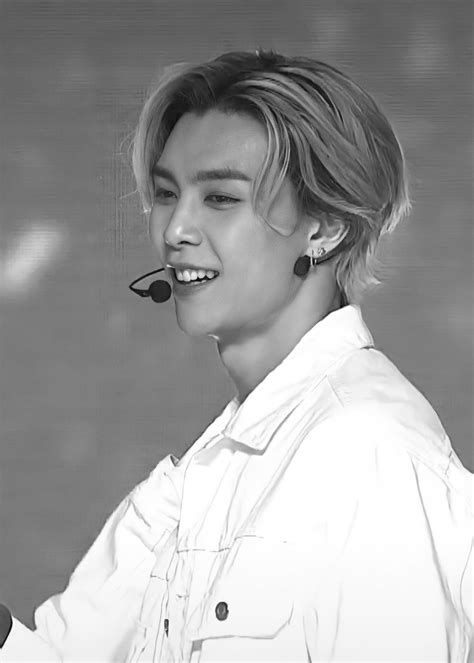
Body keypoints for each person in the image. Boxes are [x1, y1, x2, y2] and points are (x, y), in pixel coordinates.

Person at [0, 49, 472, 662]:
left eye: (220, 198)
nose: (175, 229)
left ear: (326, 227)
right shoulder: (198, 479)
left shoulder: (368, 456)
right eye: (166, 193)